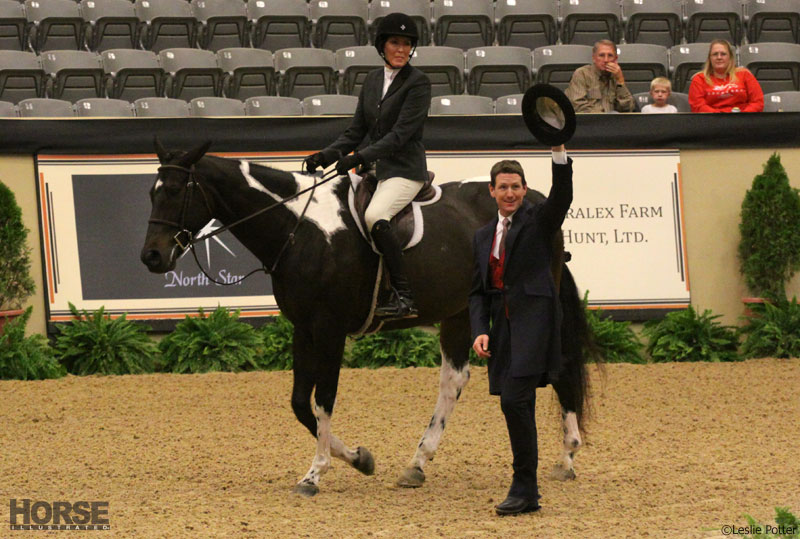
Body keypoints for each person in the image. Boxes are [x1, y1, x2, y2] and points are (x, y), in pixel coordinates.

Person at [303, 13, 431, 320]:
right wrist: (326, 155)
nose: (401, 49)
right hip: (374, 171)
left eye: (407, 44)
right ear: (382, 46)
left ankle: (404, 295)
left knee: (375, 216)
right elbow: (355, 131)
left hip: (403, 170)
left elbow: (399, 136)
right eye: (395, 43)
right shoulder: (372, 80)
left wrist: (359, 158)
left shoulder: (419, 83)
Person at [469, 147, 572, 516]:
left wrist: (559, 155)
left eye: (515, 186)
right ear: (491, 192)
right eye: (503, 187)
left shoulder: (538, 222)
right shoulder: (482, 236)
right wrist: (480, 330)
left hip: (535, 324)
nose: (509, 193)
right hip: (502, 330)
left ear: (525, 190)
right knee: (515, 403)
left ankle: (524, 486)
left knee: (515, 400)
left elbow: (561, 199)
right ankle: (526, 489)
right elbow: (477, 291)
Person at [688, 39, 764, 113]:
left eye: (723, 54)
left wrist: (742, 117)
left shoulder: (745, 75)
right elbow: (698, 106)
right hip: (712, 122)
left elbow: (757, 102)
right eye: (715, 54)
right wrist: (719, 118)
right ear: (710, 58)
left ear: (730, 57)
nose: (719, 57)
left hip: (743, 121)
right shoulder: (699, 79)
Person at [564, 40, 635, 113]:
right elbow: (578, 106)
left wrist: (620, 81)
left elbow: (628, 108)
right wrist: (605, 117)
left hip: (614, 122)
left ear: (616, 59)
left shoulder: (616, 76)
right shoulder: (582, 74)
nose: (606, 60)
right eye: (601, 55)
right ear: (594, 58)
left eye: (610, 55)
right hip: (589, 122)